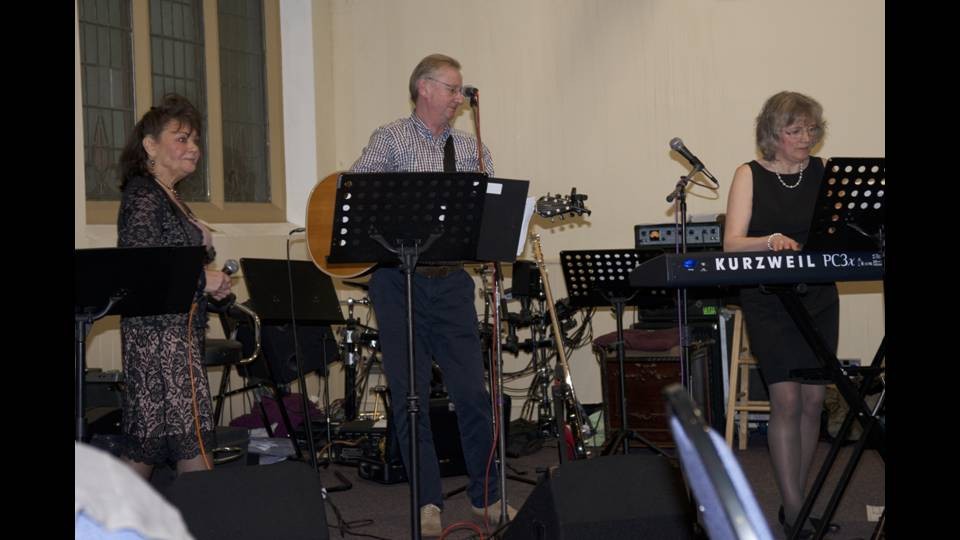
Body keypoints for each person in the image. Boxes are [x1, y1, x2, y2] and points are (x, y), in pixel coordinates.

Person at [350, 53, 515, 536]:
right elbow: (354, 194)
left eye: (461, 91)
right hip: (397, 282)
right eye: (452, 88)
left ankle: (487, 496)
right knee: (411, 397)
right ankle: (427, 502)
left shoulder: (471, 150)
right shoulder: (390, 139)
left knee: (473, 393)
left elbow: (488, 218)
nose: (459, 98)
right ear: (424, 88)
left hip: (452, 285)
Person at [723, 91, 841, 538]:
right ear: (773, 134)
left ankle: (799, 499)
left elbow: (837, 232)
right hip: (768, 297)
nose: (806, 137)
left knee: (813, 401)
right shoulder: (749, 174)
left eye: (811, 129)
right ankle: (794, 509)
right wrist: (769, 240)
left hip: (818, 295)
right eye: (795, 130)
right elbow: (732, 243)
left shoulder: (824, 171)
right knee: (786, 399)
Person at [116, 93, 232, 480]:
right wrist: (202, 280)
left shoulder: (168, 196)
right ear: (150, 146)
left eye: (195, 139)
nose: (193, 147)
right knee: (184, 440)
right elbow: (141, 269)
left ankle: (105, 515)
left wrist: (209, 280)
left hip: (175, 336)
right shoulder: (144, 196)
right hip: (158, 341)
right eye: (181, 138)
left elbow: (173, 261)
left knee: (156, 443)